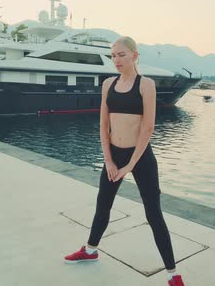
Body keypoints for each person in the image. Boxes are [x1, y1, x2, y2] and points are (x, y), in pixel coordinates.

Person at [63, 36, 185, 286]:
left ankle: (173, 275)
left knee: (154, 214)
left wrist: (130, 165)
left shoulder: (145, 85)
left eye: (121, 55)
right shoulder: (108, 83)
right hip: (114, 155)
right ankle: (90, 250)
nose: (116, 60)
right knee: (103, 206)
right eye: (113, 55)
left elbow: (148, 127)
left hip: (140, 157)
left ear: (135, 56)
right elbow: (103, 124)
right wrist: (108, 160)